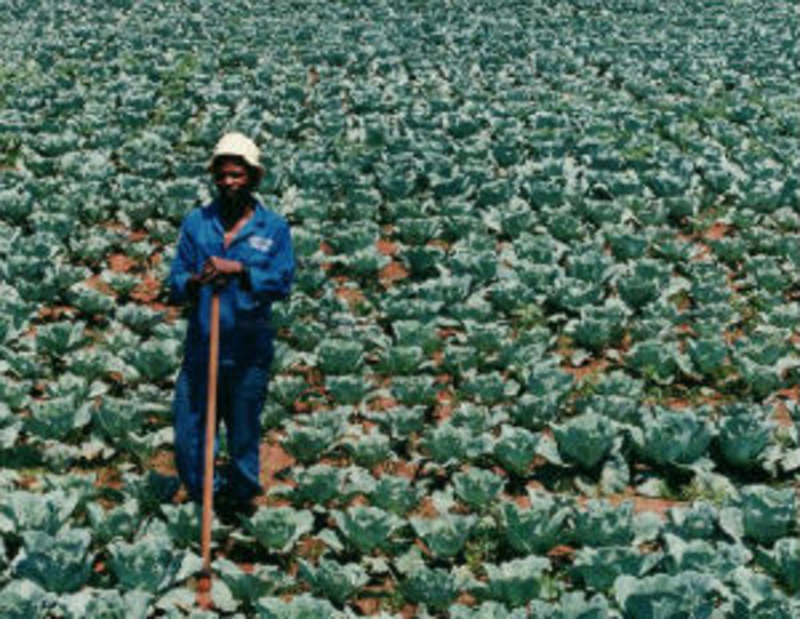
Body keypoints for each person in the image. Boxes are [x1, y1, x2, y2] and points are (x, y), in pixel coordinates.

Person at [168, 132, 295, 510]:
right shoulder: (197, 222)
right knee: (189, 435)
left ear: (253, 177)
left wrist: (240, 271)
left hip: (247, 352)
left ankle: (239, 502)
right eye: (222, 175)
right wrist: (195, 281)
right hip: (202, 347)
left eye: (237, 175)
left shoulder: (273, 228)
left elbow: (282, 283)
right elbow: (175, 280)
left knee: (243, 433)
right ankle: (204, 496)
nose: (228, 182)